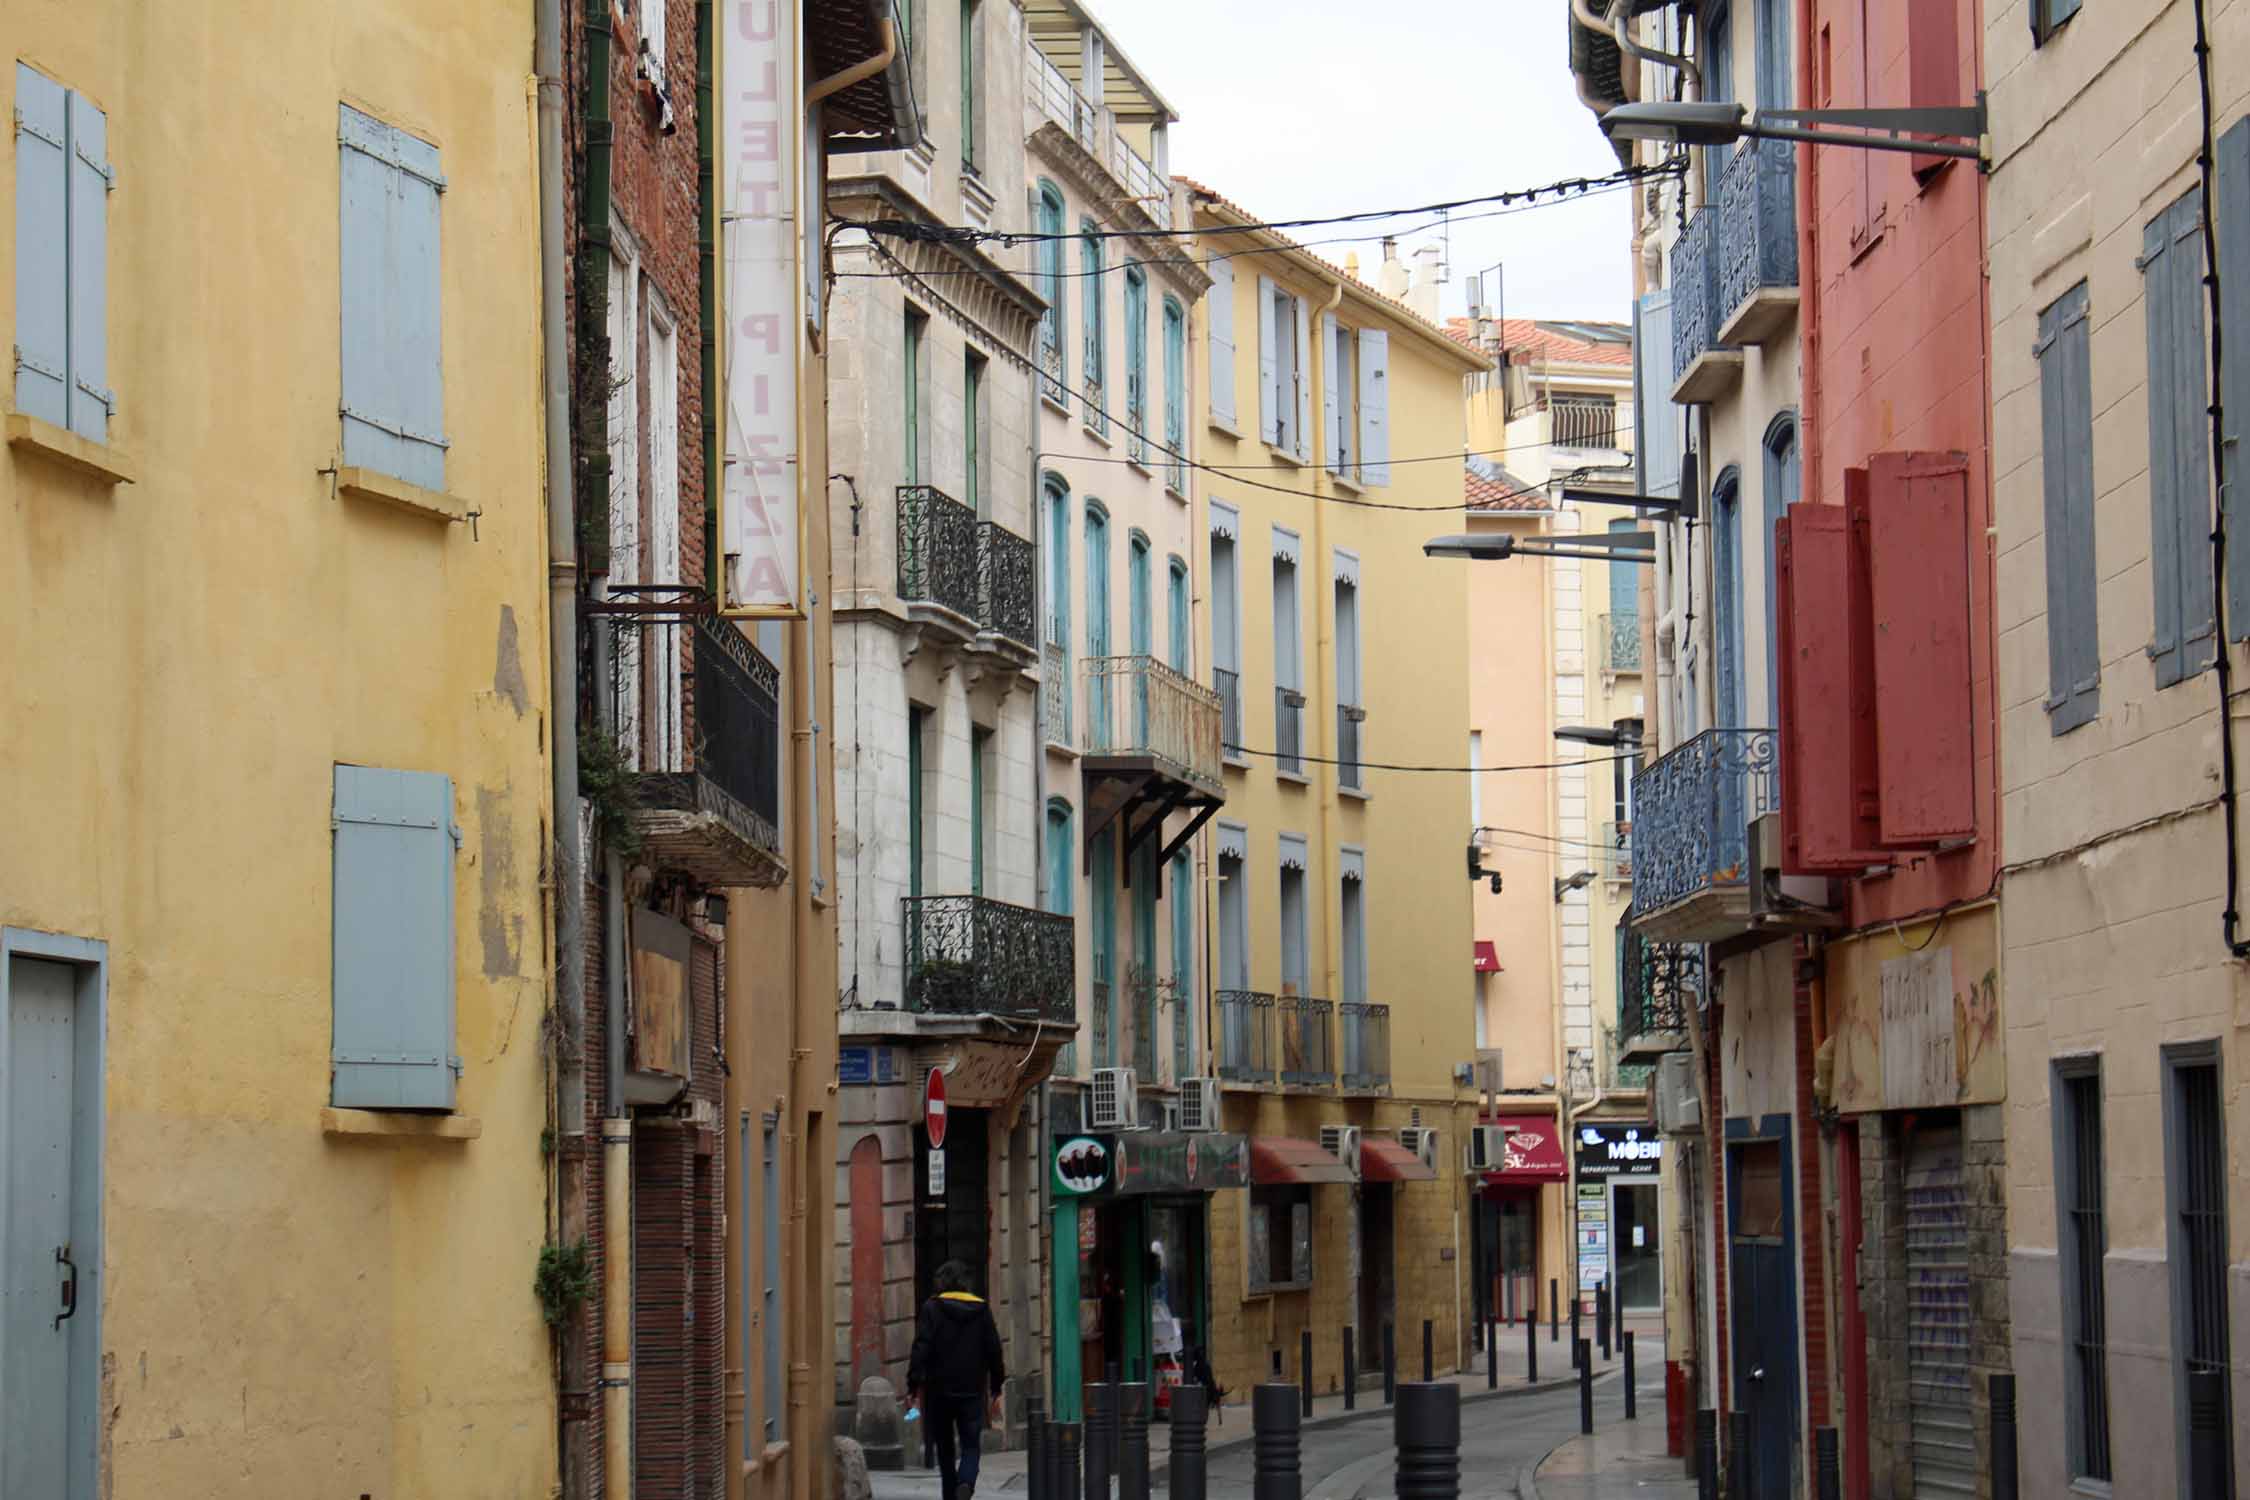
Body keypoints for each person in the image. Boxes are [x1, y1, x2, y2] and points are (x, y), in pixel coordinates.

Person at [907, 1260, 1007, 1500]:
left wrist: (913, 1386)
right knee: (971, 1444)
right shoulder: (982, 1310)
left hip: (939, 1391)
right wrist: (996, 1388)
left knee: (945, 1449)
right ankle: (966, 1481)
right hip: (971, 1390)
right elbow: (994, 1350)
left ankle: (950, 1495)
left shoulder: (932, 1308)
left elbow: (921, 1348)